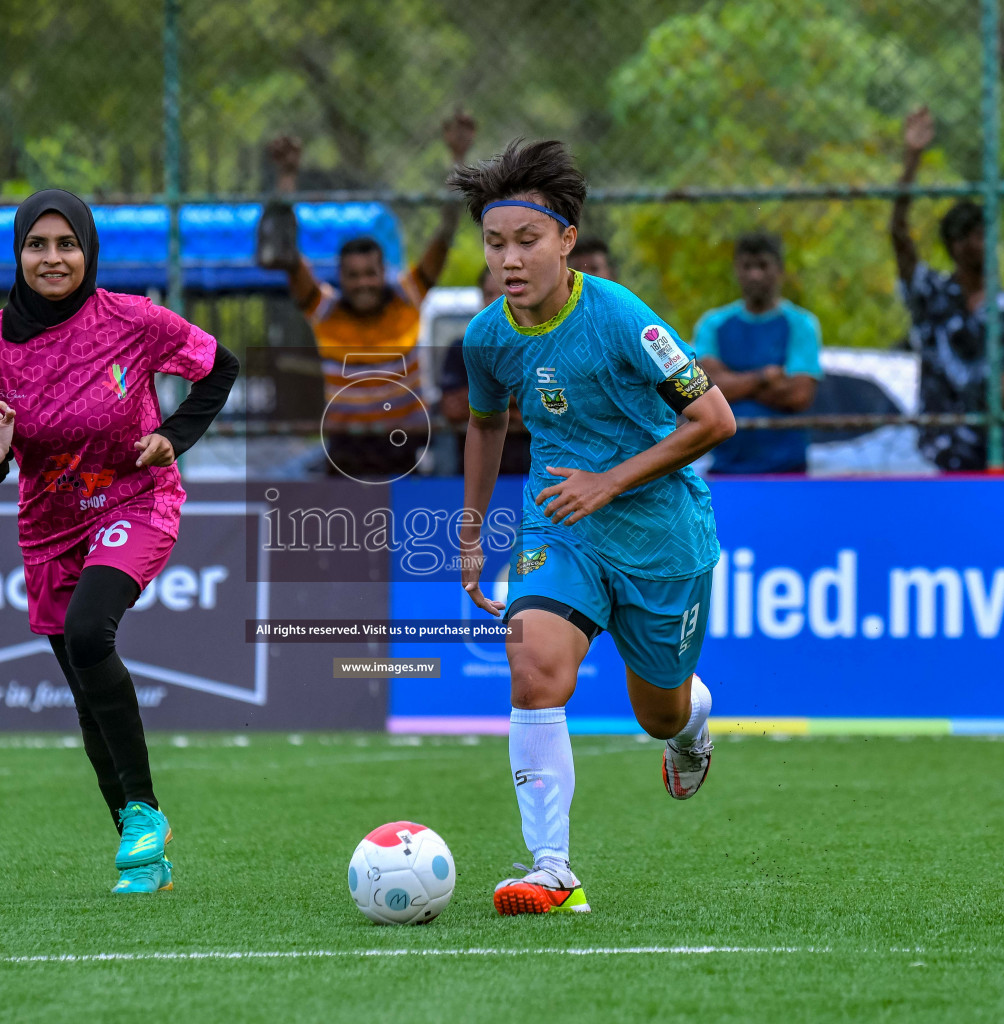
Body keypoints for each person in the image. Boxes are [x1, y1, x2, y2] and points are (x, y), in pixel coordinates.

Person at [450, 140, 735, 915]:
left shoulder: (621, 317)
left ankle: (691, 726)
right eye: (495, 243)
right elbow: (483, 426)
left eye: (527, 241)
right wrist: (472, 531)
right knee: (534, 665)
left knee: (659, 711)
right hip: (559, 524)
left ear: (567, 241)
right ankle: (551, 868)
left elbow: (715, 419)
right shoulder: (486, 336)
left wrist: (610, 480)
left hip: (657, 537)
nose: (509, 260)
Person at [0, 189, 238, 895]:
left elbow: (219, 367)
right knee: (86, 692)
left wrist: (172, 438)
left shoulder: (131, 319)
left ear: (88, 250)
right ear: (18, 253)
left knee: (89, 633)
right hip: (48, 526)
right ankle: (143, 852)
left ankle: (145, 811)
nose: (52, 258)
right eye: (37, 245)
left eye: (66, 244)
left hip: (135, 500)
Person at [266, 113, 475, 479]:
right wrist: (286, 178)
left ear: (384, 273)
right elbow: (286, 254)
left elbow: (445, 233)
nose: (363, 283)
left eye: (370, 273)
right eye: (353, 276)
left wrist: (458, 157)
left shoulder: (407, 297)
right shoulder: (325, 309)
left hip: (406, 450)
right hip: (345, 452)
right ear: (341, 279)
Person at [892, 105, 1004, 471]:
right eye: (970, 236)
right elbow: (898, 235)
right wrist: (913, 158)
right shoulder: (932, 295)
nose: (980, 243)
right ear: (953, 245)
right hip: (947, 445)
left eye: (985, 234)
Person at [692, 231, 822, 473]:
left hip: (788, 468)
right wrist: (765, 379)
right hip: (726, 467)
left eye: (763, 265)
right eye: (747, 266)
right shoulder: (713, 324)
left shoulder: (801, 324)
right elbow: (707, 392)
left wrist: (732, 383)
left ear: (779, 269)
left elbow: (799, 395)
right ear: (736, 270)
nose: (755, 274)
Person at [439, 268, 530, 475]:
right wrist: (519, 403)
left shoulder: (543, 346)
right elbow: (452, 408)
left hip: (533, 473)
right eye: (489, 294)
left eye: (504, 292)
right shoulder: (460, 348)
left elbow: (553, 407)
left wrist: (483, 402)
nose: (496, 302)